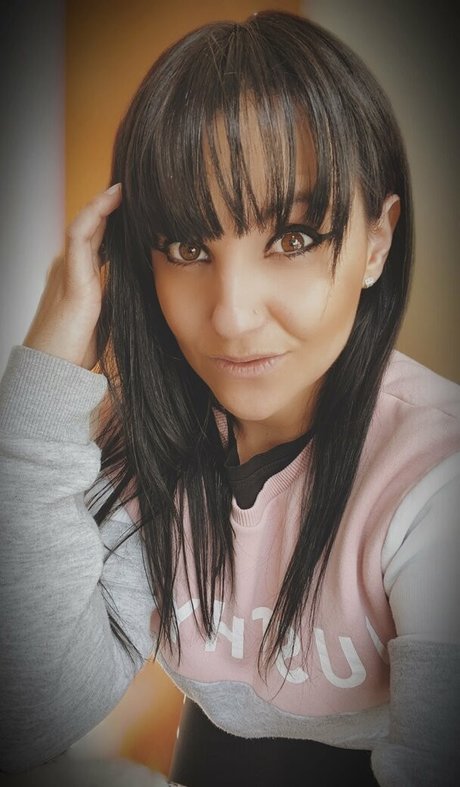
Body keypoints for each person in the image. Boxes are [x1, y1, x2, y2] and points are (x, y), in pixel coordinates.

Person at [1, 9, 459, 787]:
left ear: (377, 242)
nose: (233, 316)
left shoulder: (434, 475)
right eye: (188, 247)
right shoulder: (151, 443)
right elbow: (28, 715)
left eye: (293, 238)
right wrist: (42, 378)